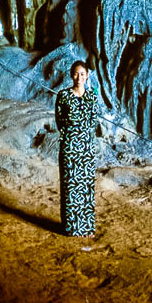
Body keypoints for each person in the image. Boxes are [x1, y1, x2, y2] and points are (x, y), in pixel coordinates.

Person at [55, 60, 100, 237]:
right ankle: (72, 228)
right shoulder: (63, 95)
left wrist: (83, 135)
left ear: (87, 75)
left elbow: (93, 121)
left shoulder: (92, 95)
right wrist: (71, 136)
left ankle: (87, 227)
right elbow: (59, 121)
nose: (79, 77)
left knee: (86, 186)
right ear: (71, 75)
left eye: (82, 74)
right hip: (70, 147)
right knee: (71, 186)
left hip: (87, 148)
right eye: (75, 73)